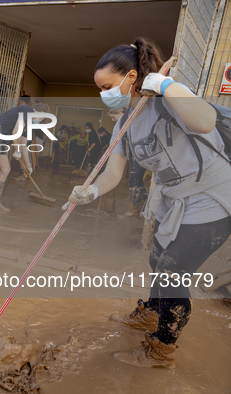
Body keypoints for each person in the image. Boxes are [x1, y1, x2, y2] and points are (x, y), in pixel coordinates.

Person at [63, 37, 231, 367]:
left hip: (214, 194)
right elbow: (113, 173)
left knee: (172, 273)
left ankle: (161, 349)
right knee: (156, 260)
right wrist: (91, 191)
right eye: (99, 89)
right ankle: (152, 313)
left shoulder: (167, 100)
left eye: (107, 85)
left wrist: (165, 84)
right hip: (174, 197)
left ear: (131, 78)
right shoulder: (125, 122)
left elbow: (204, 121)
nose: (103, 94)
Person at [108, 108, 148, 218]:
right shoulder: (124, 124)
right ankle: (145, 206)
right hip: (138, 155)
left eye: (113, 117)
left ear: (120, 112)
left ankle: (133, 211)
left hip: (144, 155)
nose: (112, 120)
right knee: (138, 180)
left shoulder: (131, 121)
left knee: (134, 179)